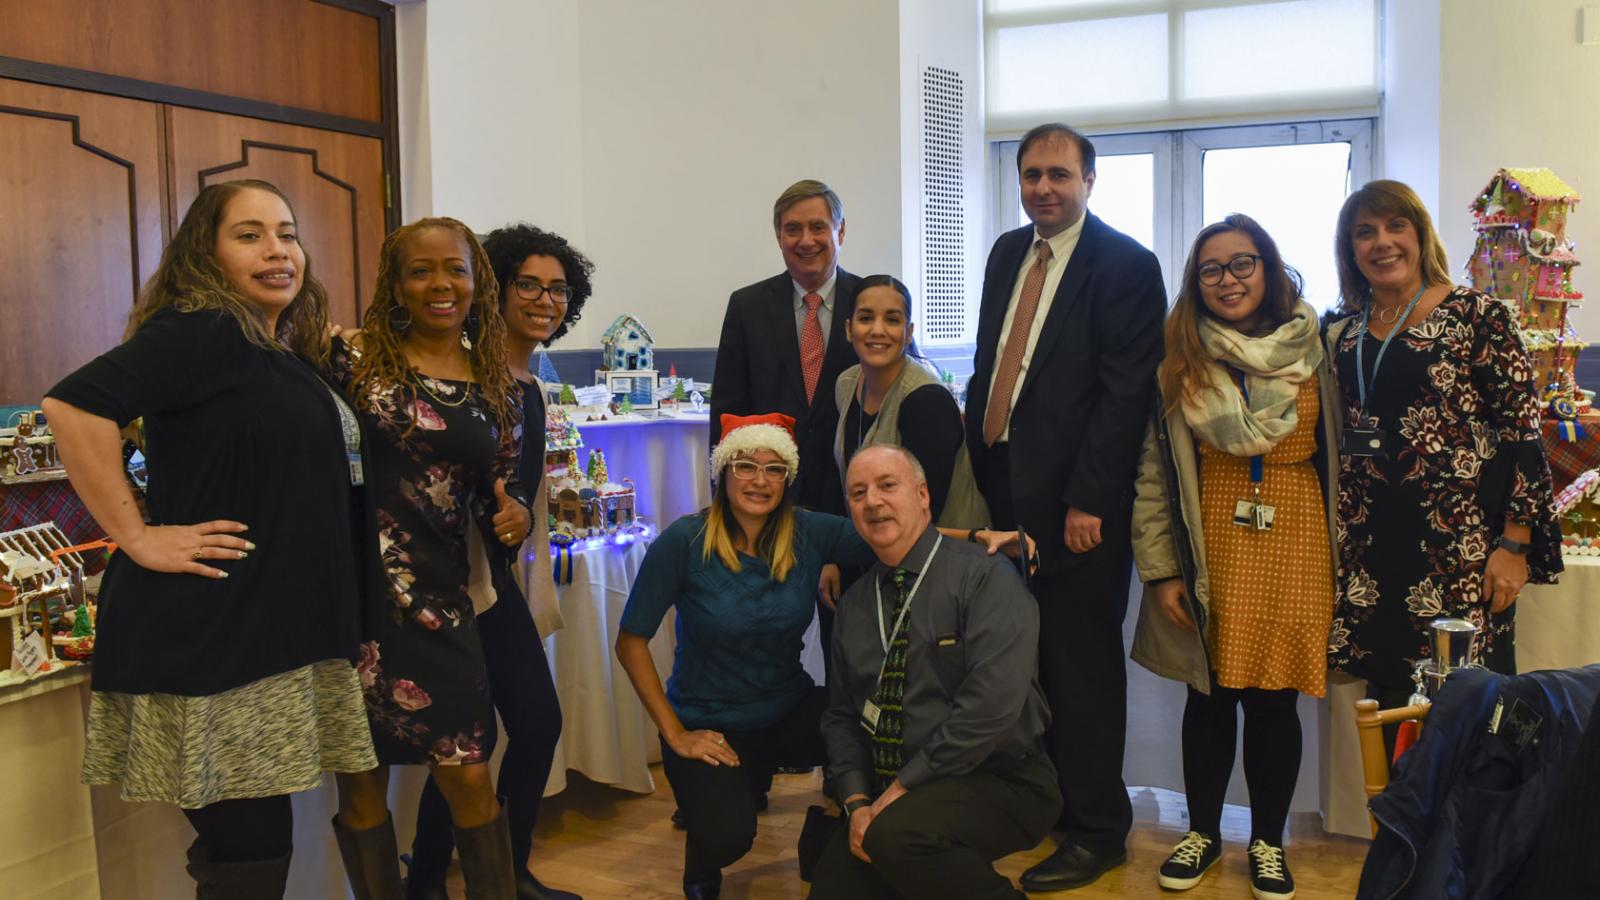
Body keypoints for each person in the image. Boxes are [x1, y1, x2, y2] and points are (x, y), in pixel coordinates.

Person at [43, 179, 376, 898]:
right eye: (249, 235)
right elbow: (72, 407)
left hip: (262, 631)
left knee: (252, 847)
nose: (277, 251)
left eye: (286, 233)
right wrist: (136, 535)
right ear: (206, 251)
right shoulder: (205, 329)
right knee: (248, 851)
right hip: (215, 632)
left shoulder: (269, 348)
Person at [616, 416, 1026, 898]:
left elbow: (897, 531)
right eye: (744, 466)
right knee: (729, 835)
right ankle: (703, 857)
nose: (759, 480)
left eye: (773, 469)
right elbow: (630, 642)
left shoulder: (807, 530)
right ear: (722, 473)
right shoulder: (683, 542)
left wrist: (980, 537)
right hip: (709, 720)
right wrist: (675, 732)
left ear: (788, 479)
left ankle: (861, 842)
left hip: (786, 708)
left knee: (873, 740)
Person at [964, 122, 1166, 891]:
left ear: (1089, 180)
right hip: (1005, 487)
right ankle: (1045, 806)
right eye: (1030, 174)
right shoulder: (1006, 254)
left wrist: (1090, 500)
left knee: (1081, 669)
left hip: (1078, 507)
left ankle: (1098, 830)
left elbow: (1124, 397)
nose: (1042, 187)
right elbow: (993, 364)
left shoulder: (1125, 265)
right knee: (1029, 663)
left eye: (1058, 174)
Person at [1129, 215, 1338, 899]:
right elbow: (1153, 478)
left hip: (1295, 536)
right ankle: (1201, 834)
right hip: (1207, 535)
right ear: (1196, 283)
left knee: (1275, 704)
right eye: (1211, 269)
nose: (1228, 279)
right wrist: (1161, 570)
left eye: (1242, 263)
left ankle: (1270, 843)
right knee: (1209, 697)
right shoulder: (1180, 361)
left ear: (1269, 268)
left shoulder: (1317, 349)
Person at [330, 217, 532, 900]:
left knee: (470, 776)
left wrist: (517, 514)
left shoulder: (501, 387)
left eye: (455, 269)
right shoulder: (349, 362)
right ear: (396, 283)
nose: (440, 284)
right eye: (421, 270)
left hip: (443, 602)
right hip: (352, 604)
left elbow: (498, 494)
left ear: (478, 282)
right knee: (361, 790)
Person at [402, 223, 591, 900]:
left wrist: (517, 517)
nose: (545, 300)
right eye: (530, 285)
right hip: (441, 585)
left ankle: (504, 874)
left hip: (491, 581)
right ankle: (432, 881)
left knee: (518, 728)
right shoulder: (461, 377)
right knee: (469, 744)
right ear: (496, 288)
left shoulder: (530, 391)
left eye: (558, 290)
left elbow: (514, 500)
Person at [1326, 180, 1562, 713]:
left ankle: (1464, 803)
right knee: (1388, 707)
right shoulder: (1342, 333)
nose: (1381, 242)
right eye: (1364, 233)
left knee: (1467, 707)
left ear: (1420, 235)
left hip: (1461, 549)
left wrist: (1515, 547)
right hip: (1372, 552)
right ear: (1349, 249)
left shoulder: (1480, 317)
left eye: (1395, 226)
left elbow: (1522, 436)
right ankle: (1392, 803)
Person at [809, 445, 1060, 900]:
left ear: (923, 495)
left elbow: (990, 706)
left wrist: (902, 788)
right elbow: (842, 716)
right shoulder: (855, 604)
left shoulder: (985, 578)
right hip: (893, 793)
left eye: (888, 486)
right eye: (858, 493)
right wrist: (857, 802)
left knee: (898, 840)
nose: (873, 501)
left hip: (1001, 777)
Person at [710, 179, 861, 516]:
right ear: (779, 237)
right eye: (793, 229)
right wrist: (724, 499)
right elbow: (728, 410)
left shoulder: (870, 303)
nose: (805, 240)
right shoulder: (746, 307)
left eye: (818, 227)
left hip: (853, 500)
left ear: (841, 232)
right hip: (770, 499)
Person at [833, 275, 988, 528]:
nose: (878, 330)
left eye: (892, 320)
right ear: (849, 329)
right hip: (879, 543)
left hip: (945, 555)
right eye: (866, 318)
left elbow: (923, 516)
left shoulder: (927, 401)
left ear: (909, 333)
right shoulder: (846, 384)